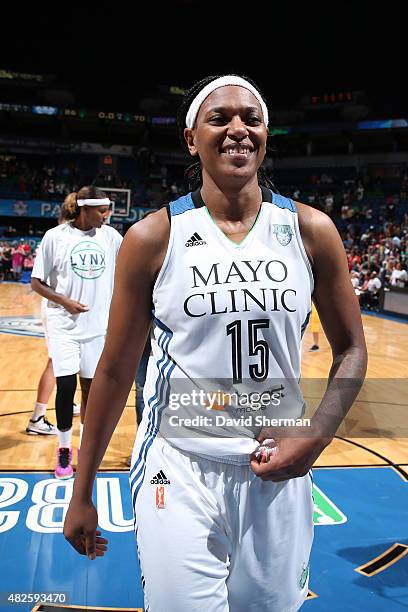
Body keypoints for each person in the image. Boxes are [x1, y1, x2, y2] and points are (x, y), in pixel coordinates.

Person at [64, 75, 367, 611]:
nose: (237, 130)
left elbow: (352, 349)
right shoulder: (153, 238)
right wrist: (82, 489)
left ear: (266, 133)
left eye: (250, 119)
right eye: (219, 118)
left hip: (277, 465)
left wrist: (316, 438)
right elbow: (112, 371)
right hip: (178, 466)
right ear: (190, 138)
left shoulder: (310, 230)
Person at [31, 186, 122, 478]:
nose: (106, 216)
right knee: (66, 385)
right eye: (102, 211)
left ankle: (85, 446)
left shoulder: (111, 238)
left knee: (91, 391)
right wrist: (65, 301)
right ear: (84, 209)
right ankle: (63, 450)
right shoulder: (55, 237)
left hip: (97, 327)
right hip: (62, 325)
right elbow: (37, 282)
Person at [26, 204, 82, 436]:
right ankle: (37, 418)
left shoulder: (65, 238)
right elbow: (40, 281)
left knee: (65, 362)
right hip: (57, 308)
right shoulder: (59, 238)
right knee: (56, 362)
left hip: (62, 308)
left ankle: (65, 403)